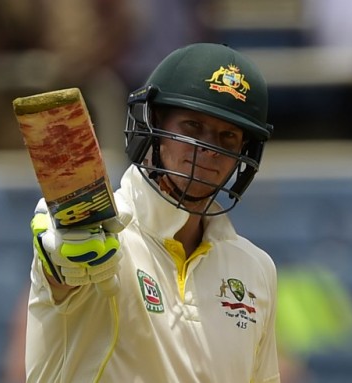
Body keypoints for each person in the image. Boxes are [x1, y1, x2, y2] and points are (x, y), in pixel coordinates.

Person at [25, 43, 280, 382]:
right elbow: (63, 261)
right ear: (152, 123)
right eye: (192, 126)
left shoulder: (255, 269)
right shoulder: (102, 231)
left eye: (227, 137)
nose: (208, 149)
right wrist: (60, 259)